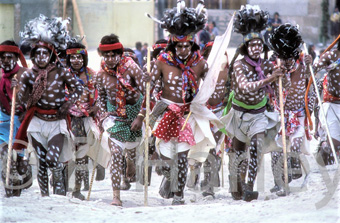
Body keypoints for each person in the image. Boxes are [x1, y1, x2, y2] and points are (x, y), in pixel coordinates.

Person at [145, 2, 219, 205]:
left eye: (187, 45)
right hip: (167, 110)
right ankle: (169, 180)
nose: (183, 49)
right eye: (179, 46)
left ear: (192, 45)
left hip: (189, 114)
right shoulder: (162, 61)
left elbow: (211, 87)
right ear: (173, 45)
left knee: (181, 157)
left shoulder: (200, 63)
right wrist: (148, 79)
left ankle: (179, 195)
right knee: (167, 159)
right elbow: (152, 84)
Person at [221, 5, 285, 201]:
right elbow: (246, 86)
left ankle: (250, 184)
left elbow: (283, 84)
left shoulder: (267, 64)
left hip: (259, 113)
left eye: (259, 45)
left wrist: (284, 72)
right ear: (246, 48)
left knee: (257, 145)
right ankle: (236, 182)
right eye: (253, 45)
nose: (256, 48)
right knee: (238, 153)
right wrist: (269, 79)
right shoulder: (239, 65)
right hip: (239, 115)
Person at [13, 15, 83, 197]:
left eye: (45, 53)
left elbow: (78, 88)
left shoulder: (61, 72)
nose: (42, 57)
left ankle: (58, 178)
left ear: (51, 54)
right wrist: (18, 88)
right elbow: (21, 100)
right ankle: (46, 196)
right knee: (42, 161)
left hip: (56, 123)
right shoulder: (28, 74)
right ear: (33, 55)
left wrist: (68, 103)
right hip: (36, 121)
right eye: (38, 54)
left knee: (52, 159)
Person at [95, 34, 145, 206]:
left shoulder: (131, 68)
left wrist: (141, 116)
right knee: (116, 155)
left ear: (119, 53)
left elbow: (146, 92)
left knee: (131, 150)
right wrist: (103, 116)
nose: (109, 59)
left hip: (135, 116)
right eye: (106, 55)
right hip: (115, 118)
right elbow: (101, 97)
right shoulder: (101, 74)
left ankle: (130, 161)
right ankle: (116, 196)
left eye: (113, 55)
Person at [268, 24, 315, 194]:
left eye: (290, 59)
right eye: (285, 59)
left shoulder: (304, 64)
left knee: (294, 145)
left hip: (299, 114)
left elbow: (312, 85)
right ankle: (279, 183)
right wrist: (276, 75)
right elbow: (270, 87)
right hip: (280, 114)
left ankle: (294, 174)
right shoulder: (274, 66)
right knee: (277, 151)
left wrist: (311, 65)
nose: (288, 62)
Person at [65, 42, 100, 200]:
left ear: (84, 58)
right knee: (67, 153)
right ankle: (61, 182)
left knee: (82, 155)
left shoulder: (92, 75)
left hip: (87, 119)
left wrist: (96, 107)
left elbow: (101, 95)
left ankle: (77, 189)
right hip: (67, 118)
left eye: (79, 57)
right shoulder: (63, 75)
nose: (76, 61)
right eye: (72, 58)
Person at [0, 40, 32, 197]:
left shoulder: (26, 74)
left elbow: (36, 96)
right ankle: (10, 185)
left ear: (16, 58)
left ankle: (24, 171)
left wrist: (24, 106)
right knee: (5, 153)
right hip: (3, 119)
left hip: (21, 119)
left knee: (18, 157)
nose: (6, 61)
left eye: (9, 57)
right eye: (2, 57)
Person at [309, 38, 340, 164]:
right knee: (333, 144)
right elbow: (312, 70)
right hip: (332, 105)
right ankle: (323, 156)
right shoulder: (331, 55)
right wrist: (309, 64)